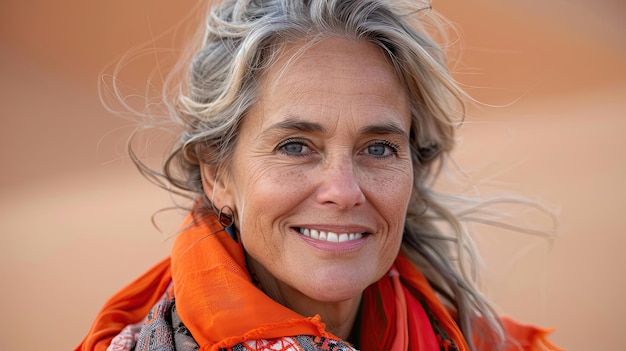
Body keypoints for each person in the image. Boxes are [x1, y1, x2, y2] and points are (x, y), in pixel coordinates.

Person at [77, 0, 562, 350]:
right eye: (295, 146)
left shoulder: (474, 342)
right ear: (217, 174)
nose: (343, 191)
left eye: (378, 148)